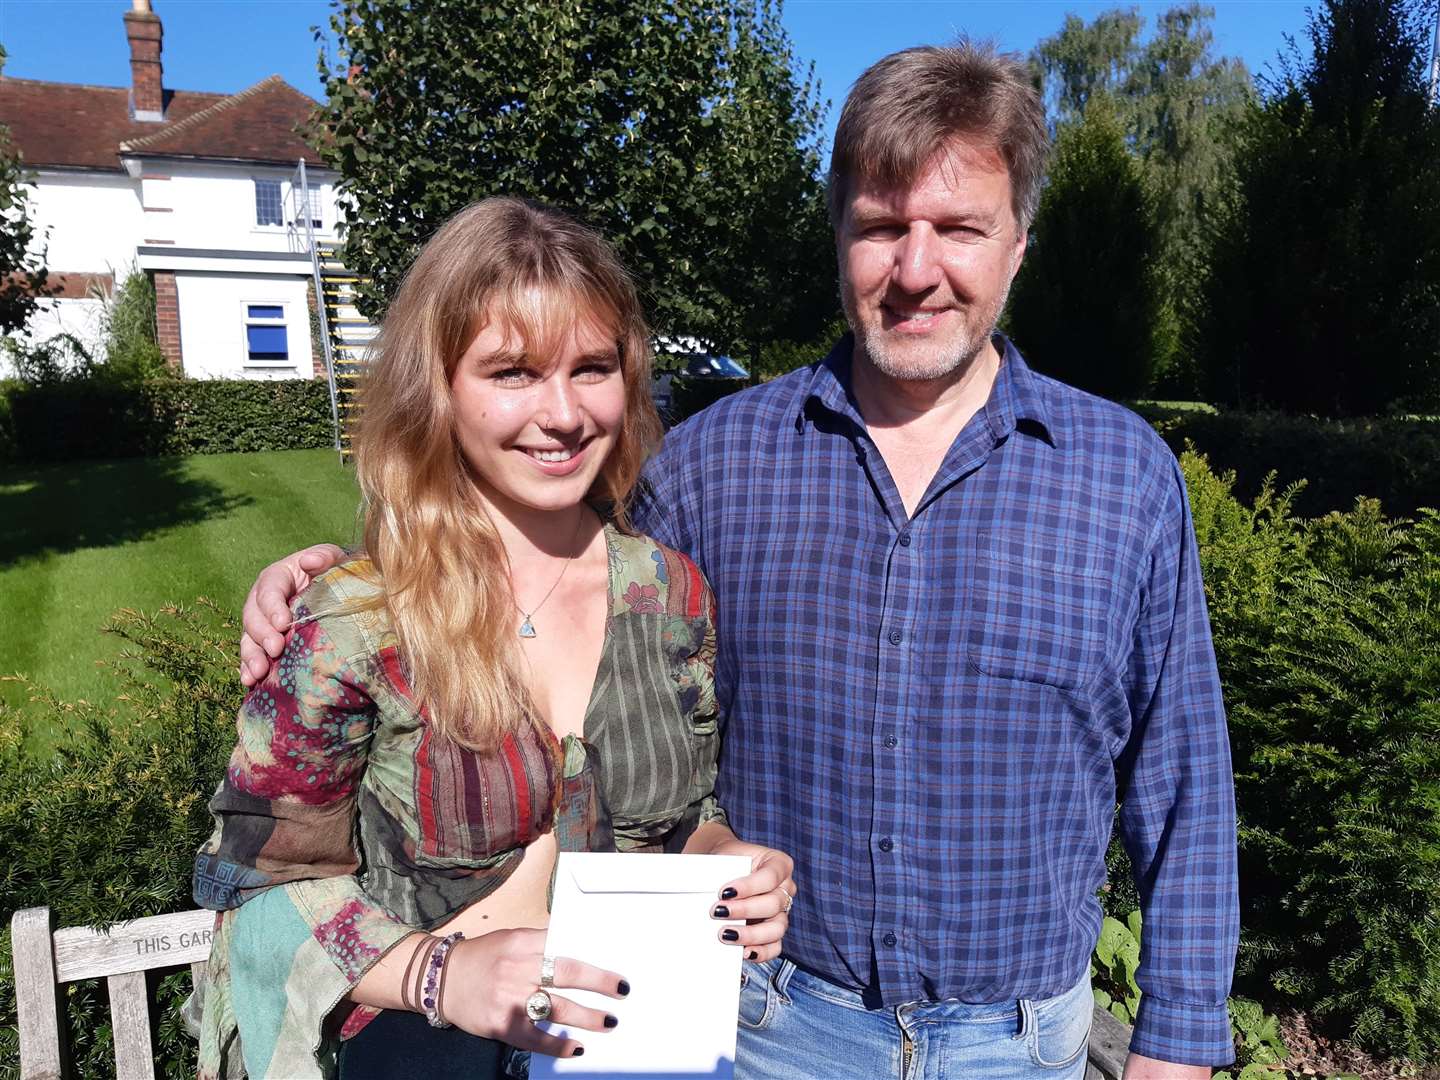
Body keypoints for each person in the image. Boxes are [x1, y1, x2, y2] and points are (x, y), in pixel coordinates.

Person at [239, 43, 1238, 1080]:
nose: (916, 269)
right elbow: (523, 555)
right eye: (882, 227)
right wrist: (337, 588)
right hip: (765, 1032)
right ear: (840, 235)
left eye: (960, 230)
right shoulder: (715, 466)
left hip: (1021, 1047)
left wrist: (1177, 1042)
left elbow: (1185, 783)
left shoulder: (1123, 481)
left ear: (1019, 245)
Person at [194, 197, 796, 1080]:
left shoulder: (671, 595)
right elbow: (256, 888)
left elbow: (685, 821)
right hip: (421, 1051)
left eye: (592, 368)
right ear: (438, 387)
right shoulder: (359, 621)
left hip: (627, 1048)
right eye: (512, 372)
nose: (561, 414)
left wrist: (727, 865)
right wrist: (443, 974)